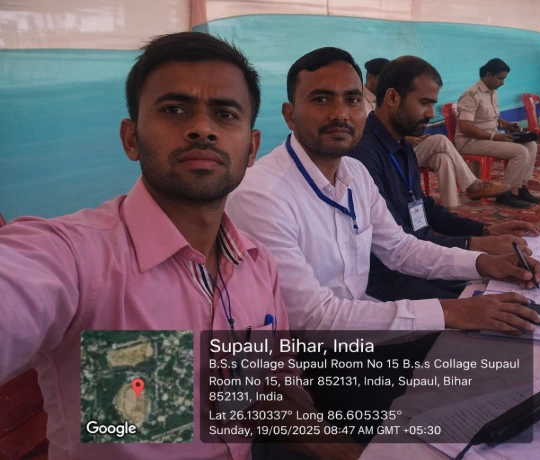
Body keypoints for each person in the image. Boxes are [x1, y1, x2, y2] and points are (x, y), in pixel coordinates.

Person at [0, 32, 349, 460]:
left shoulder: (258, 266)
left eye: (225, 114)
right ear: (131, 138)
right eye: (174, 109)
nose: (203, 128)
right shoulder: (74, 259)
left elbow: (275, 390)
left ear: (252, 148)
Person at [226, 47, 540, 335]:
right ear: (290, 115)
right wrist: (451, 312)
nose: (340, 113)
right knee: (474, 352)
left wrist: (483, 262)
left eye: (352, 100)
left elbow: (400, 248)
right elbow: (312, 317)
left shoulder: (354, 173)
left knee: (500, 335)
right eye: (321, 99)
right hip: (306, 356)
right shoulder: (262, 196)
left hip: (360, 319)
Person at [348, 55, 540, 302]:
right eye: (424, 103)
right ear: (392, 97)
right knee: (493, 307)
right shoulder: (362, 155)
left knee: (514, 289)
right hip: (389, 278)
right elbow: (400, 245)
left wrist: (485, 230)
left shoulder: (401, 144)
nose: (431, 113)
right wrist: (476, 246)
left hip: (424, 260)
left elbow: (423, 207)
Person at [363, 57, 508, 207]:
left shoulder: (387, 98)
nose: (431, 114)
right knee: (440, 140)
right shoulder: (359, 102)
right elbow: (375, 131)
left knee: (443, 159)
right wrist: (408, 138)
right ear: (370, 78)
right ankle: (473, 185)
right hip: (388, 151)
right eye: (424, 102)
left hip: (404, 146)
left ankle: (451, 207)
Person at [454, 58, 540, 209]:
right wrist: (494, 137)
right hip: (470, 142)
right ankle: (505, 194)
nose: (502, 83)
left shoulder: (492, 92)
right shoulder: (471, 95)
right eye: (500, 78)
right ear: (488, 74)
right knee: (520, 151)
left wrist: (506, 125)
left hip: (488, 138)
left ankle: (521, 188)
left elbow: (490, 117)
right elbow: (465, 127)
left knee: (531, 145)